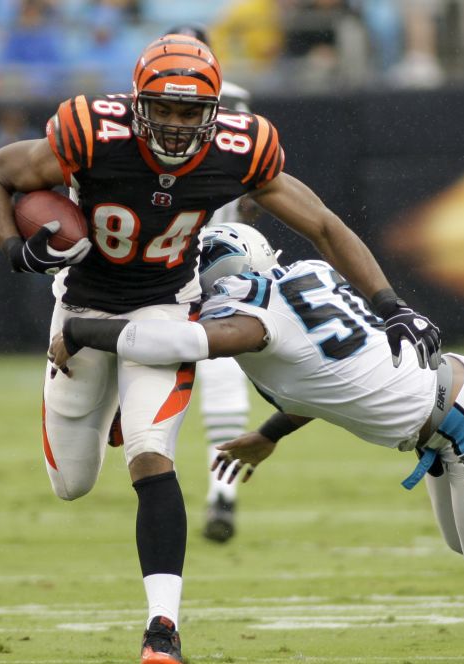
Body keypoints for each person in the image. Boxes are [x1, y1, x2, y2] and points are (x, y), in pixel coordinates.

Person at [0, 34, 442, 664]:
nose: (178, 124)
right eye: (164, 108)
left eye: (193, 113)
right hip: (80, 297)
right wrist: (15, 250)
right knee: (71, 483)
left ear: (215, 112)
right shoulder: (88, 134)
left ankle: (162, 629)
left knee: (151, 455)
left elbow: (325, 225)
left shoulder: (242, 149)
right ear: (135, 104)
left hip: (167, 302)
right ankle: (109, 406)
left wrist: (390, 303)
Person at [48, 223, 464, 582]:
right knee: (459, 542)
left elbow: (184, 341)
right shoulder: (308, 274)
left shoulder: (254, 317)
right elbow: (328, 382)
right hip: (452, 412)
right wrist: (271, 433)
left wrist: (80, 332)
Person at [165, 23, 258, 544]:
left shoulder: (235, 105)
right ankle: (205, 491)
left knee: (220, 370)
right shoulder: (129, 107)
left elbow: (260, 186)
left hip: (207, 248)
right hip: (161, 252)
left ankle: (221, 493)